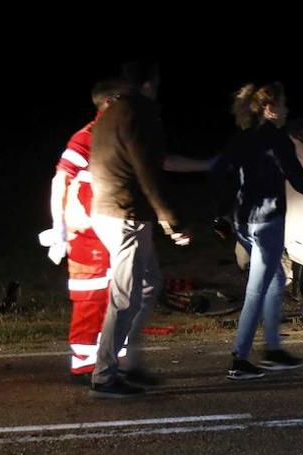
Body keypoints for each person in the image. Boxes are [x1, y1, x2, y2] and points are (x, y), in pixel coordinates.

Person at [213, 82, 303, 380]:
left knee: (275, 278)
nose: (287, 109)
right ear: (269, 108)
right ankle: (240, 358)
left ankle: (273, 349)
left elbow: (221, 174)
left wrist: (219, 215)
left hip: (242, 222)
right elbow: (300, 182)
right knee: (257, 288)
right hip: (267, 222)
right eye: (284, 104)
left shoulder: (241, 139)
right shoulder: (277, 140)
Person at [88, 61, 190, 398]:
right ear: (149, 84)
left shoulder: (113, 112)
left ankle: (130, 363)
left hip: (113, 210)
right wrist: (169, 217)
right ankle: (105, 375)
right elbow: (148, 171)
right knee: (125, 296)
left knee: (148, 285)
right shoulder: (138, 112)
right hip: (124, 214)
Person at [41, 78, 129, 384]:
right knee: (91, 299)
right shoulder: (86, 137)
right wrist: (60, 227)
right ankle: (84, 365)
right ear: (108, 102)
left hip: (112, 231)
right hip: (87, 237)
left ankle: (112, 362)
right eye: (124, 99)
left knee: (117, 299)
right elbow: (60, 181)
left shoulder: (119, 135)